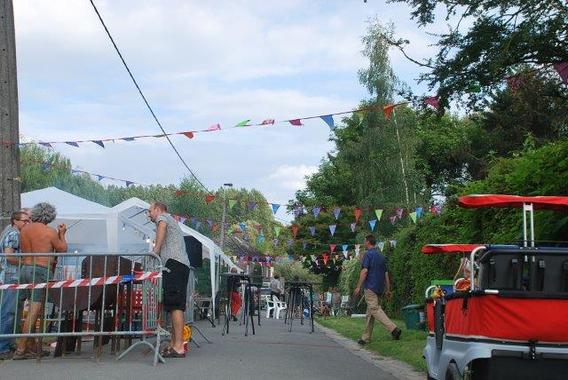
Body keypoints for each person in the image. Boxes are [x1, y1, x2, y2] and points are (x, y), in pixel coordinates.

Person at [14, 203, 67, 360]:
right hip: (40, 270)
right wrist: (62, 233)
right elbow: (62, 249)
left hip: (25, 268)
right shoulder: (49, 231)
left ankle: (31, 346)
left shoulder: (24, 230)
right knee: (35, 309)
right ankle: (21, 348)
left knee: (30, 309)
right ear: (50, 216)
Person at [148, 202, 190, 358]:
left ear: (158, 210)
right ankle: (175, 343)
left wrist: (156, 250)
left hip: (175, 264)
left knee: (175, 305)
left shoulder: (163, 217)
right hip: (177, 265)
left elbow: (162, 227)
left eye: (150, 211)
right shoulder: (171, 220)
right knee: (174, 305)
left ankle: (178, 346)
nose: (148, 214)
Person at [354, 235, 401, 345]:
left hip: (370, 287)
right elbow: (386, 274)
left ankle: (394, 329)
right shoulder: (381, 256)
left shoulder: (368, 255)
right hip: (379, 288)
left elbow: (364, 271)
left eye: (365, 241)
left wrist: (358, 286)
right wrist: (388, 289)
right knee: (370, 313)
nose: (364, 243)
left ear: (368, 242)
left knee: (374, 309)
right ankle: (365, 338)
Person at [0, 211, 31, 359]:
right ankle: (3, 347)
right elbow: (9, 256)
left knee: (12, 312)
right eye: (24, 221)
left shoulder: (10, 232)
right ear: (15, 221)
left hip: (12, 276)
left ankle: (8, 343)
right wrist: (26, 262)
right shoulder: (13, 234)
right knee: (9, 313)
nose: (27, 223)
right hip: (11, 277)